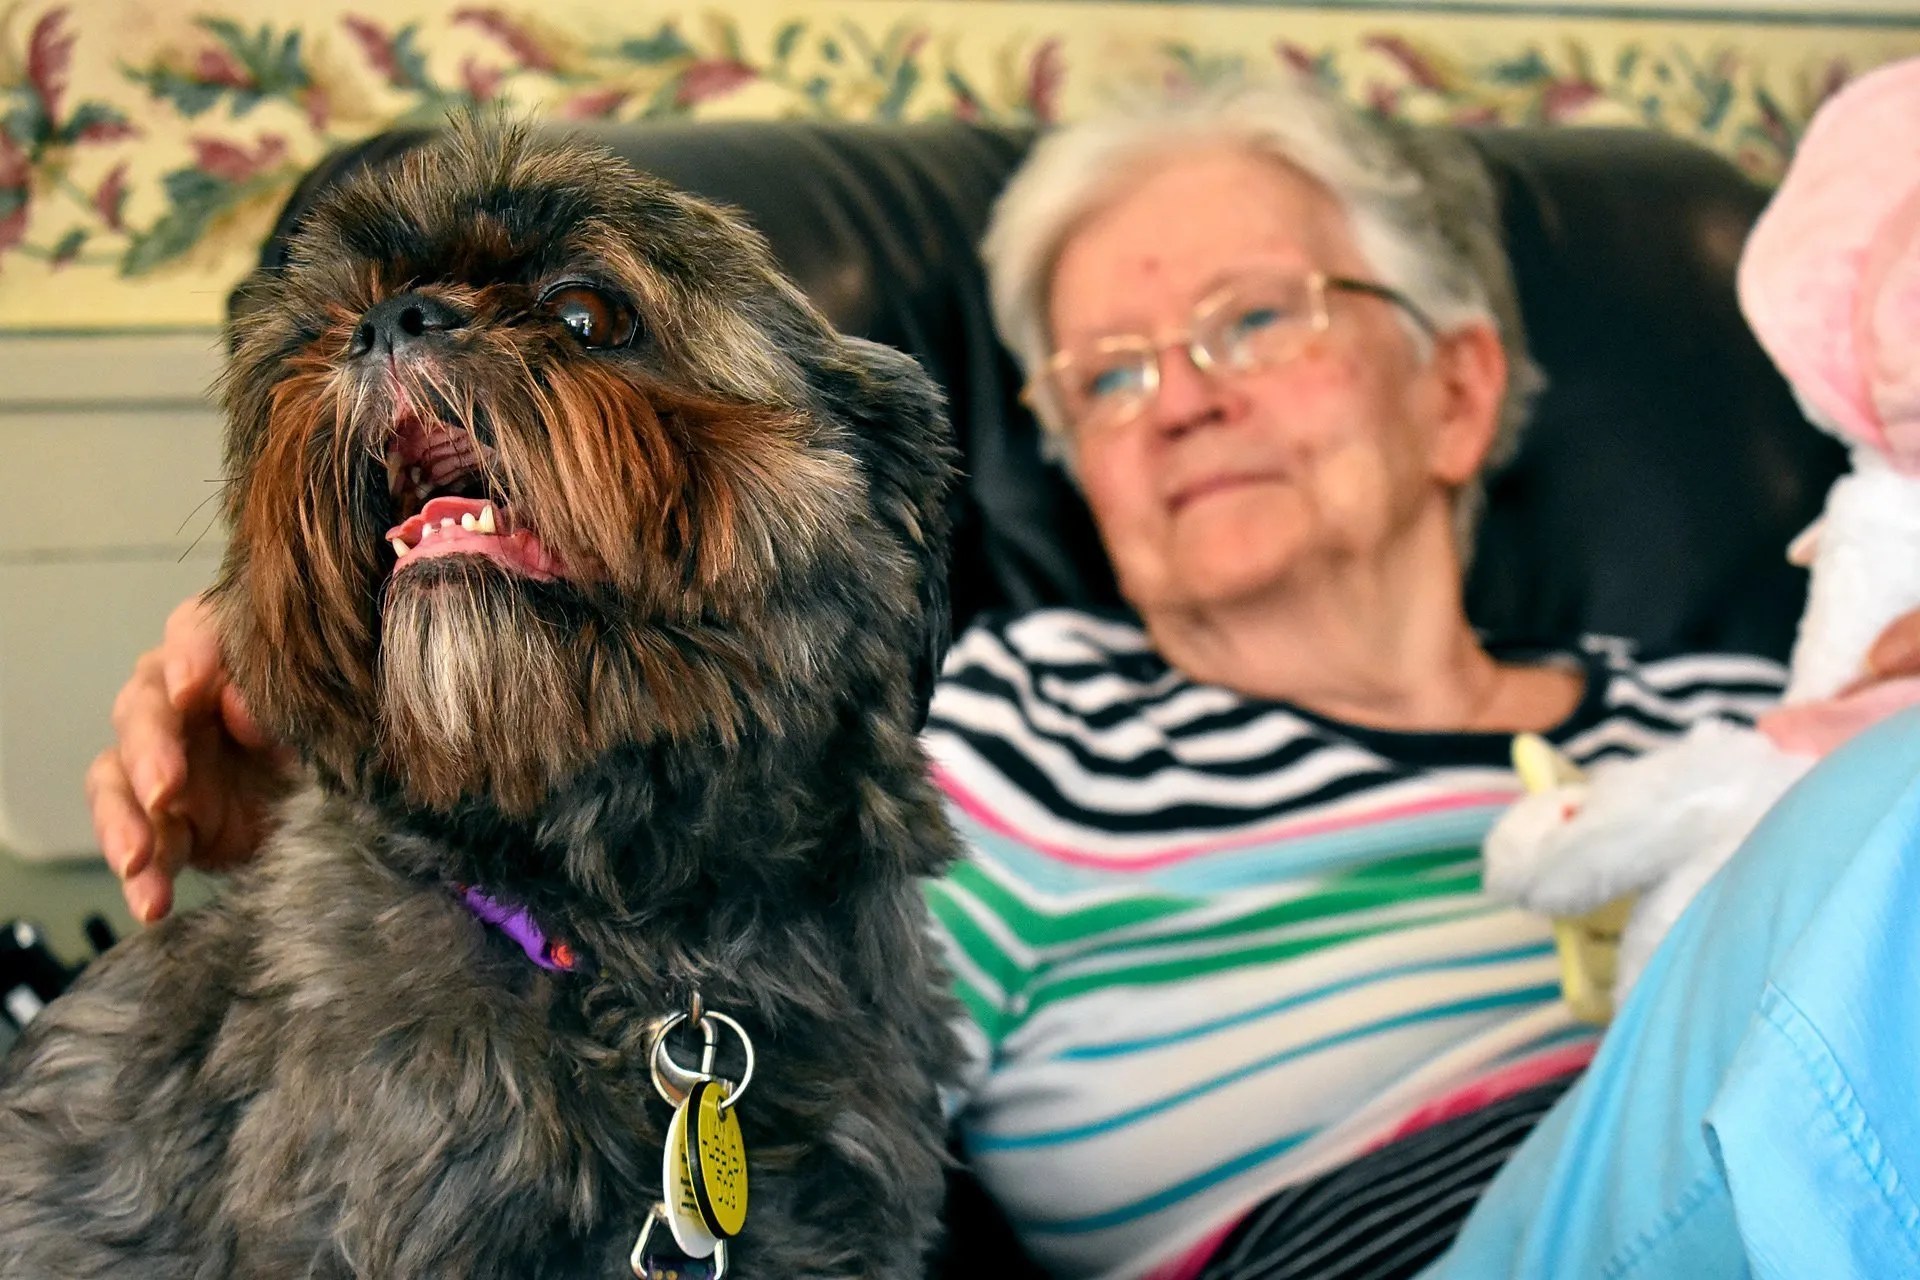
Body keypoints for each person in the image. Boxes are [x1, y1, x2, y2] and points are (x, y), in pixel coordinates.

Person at [83, 81, 1920, 1280]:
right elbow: (642, 854)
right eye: (1104, 372)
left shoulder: (1750, 692)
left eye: (1250, 322)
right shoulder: (999, 741)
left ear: (1455, 387)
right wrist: (340, 721)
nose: (1178, 394)